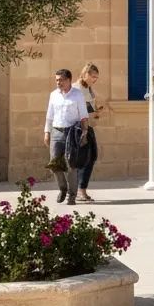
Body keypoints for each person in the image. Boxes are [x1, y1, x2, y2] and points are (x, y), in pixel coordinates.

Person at [43, 69, 89, 205]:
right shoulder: (53, 95)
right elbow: (49, 116)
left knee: (71, 165)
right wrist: (47, 132)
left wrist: (85, 132)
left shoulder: (77, 95)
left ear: (69, 80)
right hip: (56, 131)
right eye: (57, 80)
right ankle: (63, 188)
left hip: (72, 133)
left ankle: (72, 195)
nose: (58, 82)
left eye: (61, 80)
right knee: (54, 164)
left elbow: (84, 115)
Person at [75, 63, 104, 202]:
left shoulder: (89, 89)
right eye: (93, 76)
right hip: (79, 128)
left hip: (89, 126)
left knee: (92, 157)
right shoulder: (76, 89)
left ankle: (81, 189)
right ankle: (79, 191)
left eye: (96, 77)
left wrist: (96, 112)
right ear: (85, 74)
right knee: (83, 158)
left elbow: (89, 108)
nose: (94, 80)